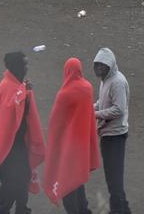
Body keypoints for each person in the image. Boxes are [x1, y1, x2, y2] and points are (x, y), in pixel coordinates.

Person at [0, 51, 45, 214]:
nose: (27, 68)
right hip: (9, 147)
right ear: (17, 67)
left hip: (19, 145)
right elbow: (11, 109)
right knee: (10, 185)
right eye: (24, 64)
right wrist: (24, 93)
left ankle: (22, 209)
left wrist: (25, 92)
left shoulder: (18, 84)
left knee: (23, 179)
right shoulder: (6, 86)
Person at [42, 58, 101, 213]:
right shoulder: (88, 88)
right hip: (82, 146)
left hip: (69, 148)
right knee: (78, 180)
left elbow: (56, 123)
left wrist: (55, 146)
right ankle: (84, 210)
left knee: (67, 184)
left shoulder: (64, 94)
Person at [94, 47, 131, 214]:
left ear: (110, 65)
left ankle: (117, 210)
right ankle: (124, 209)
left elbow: (118, 109)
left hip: (115, 136)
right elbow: (102, 101)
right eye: (97, 65)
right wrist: (91, 108)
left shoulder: (117, 82)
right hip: (107, 134)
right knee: (112, 178)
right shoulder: (105, 79)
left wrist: (94, 114)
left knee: (114, 179)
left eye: (102, 66)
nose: (99, 69)